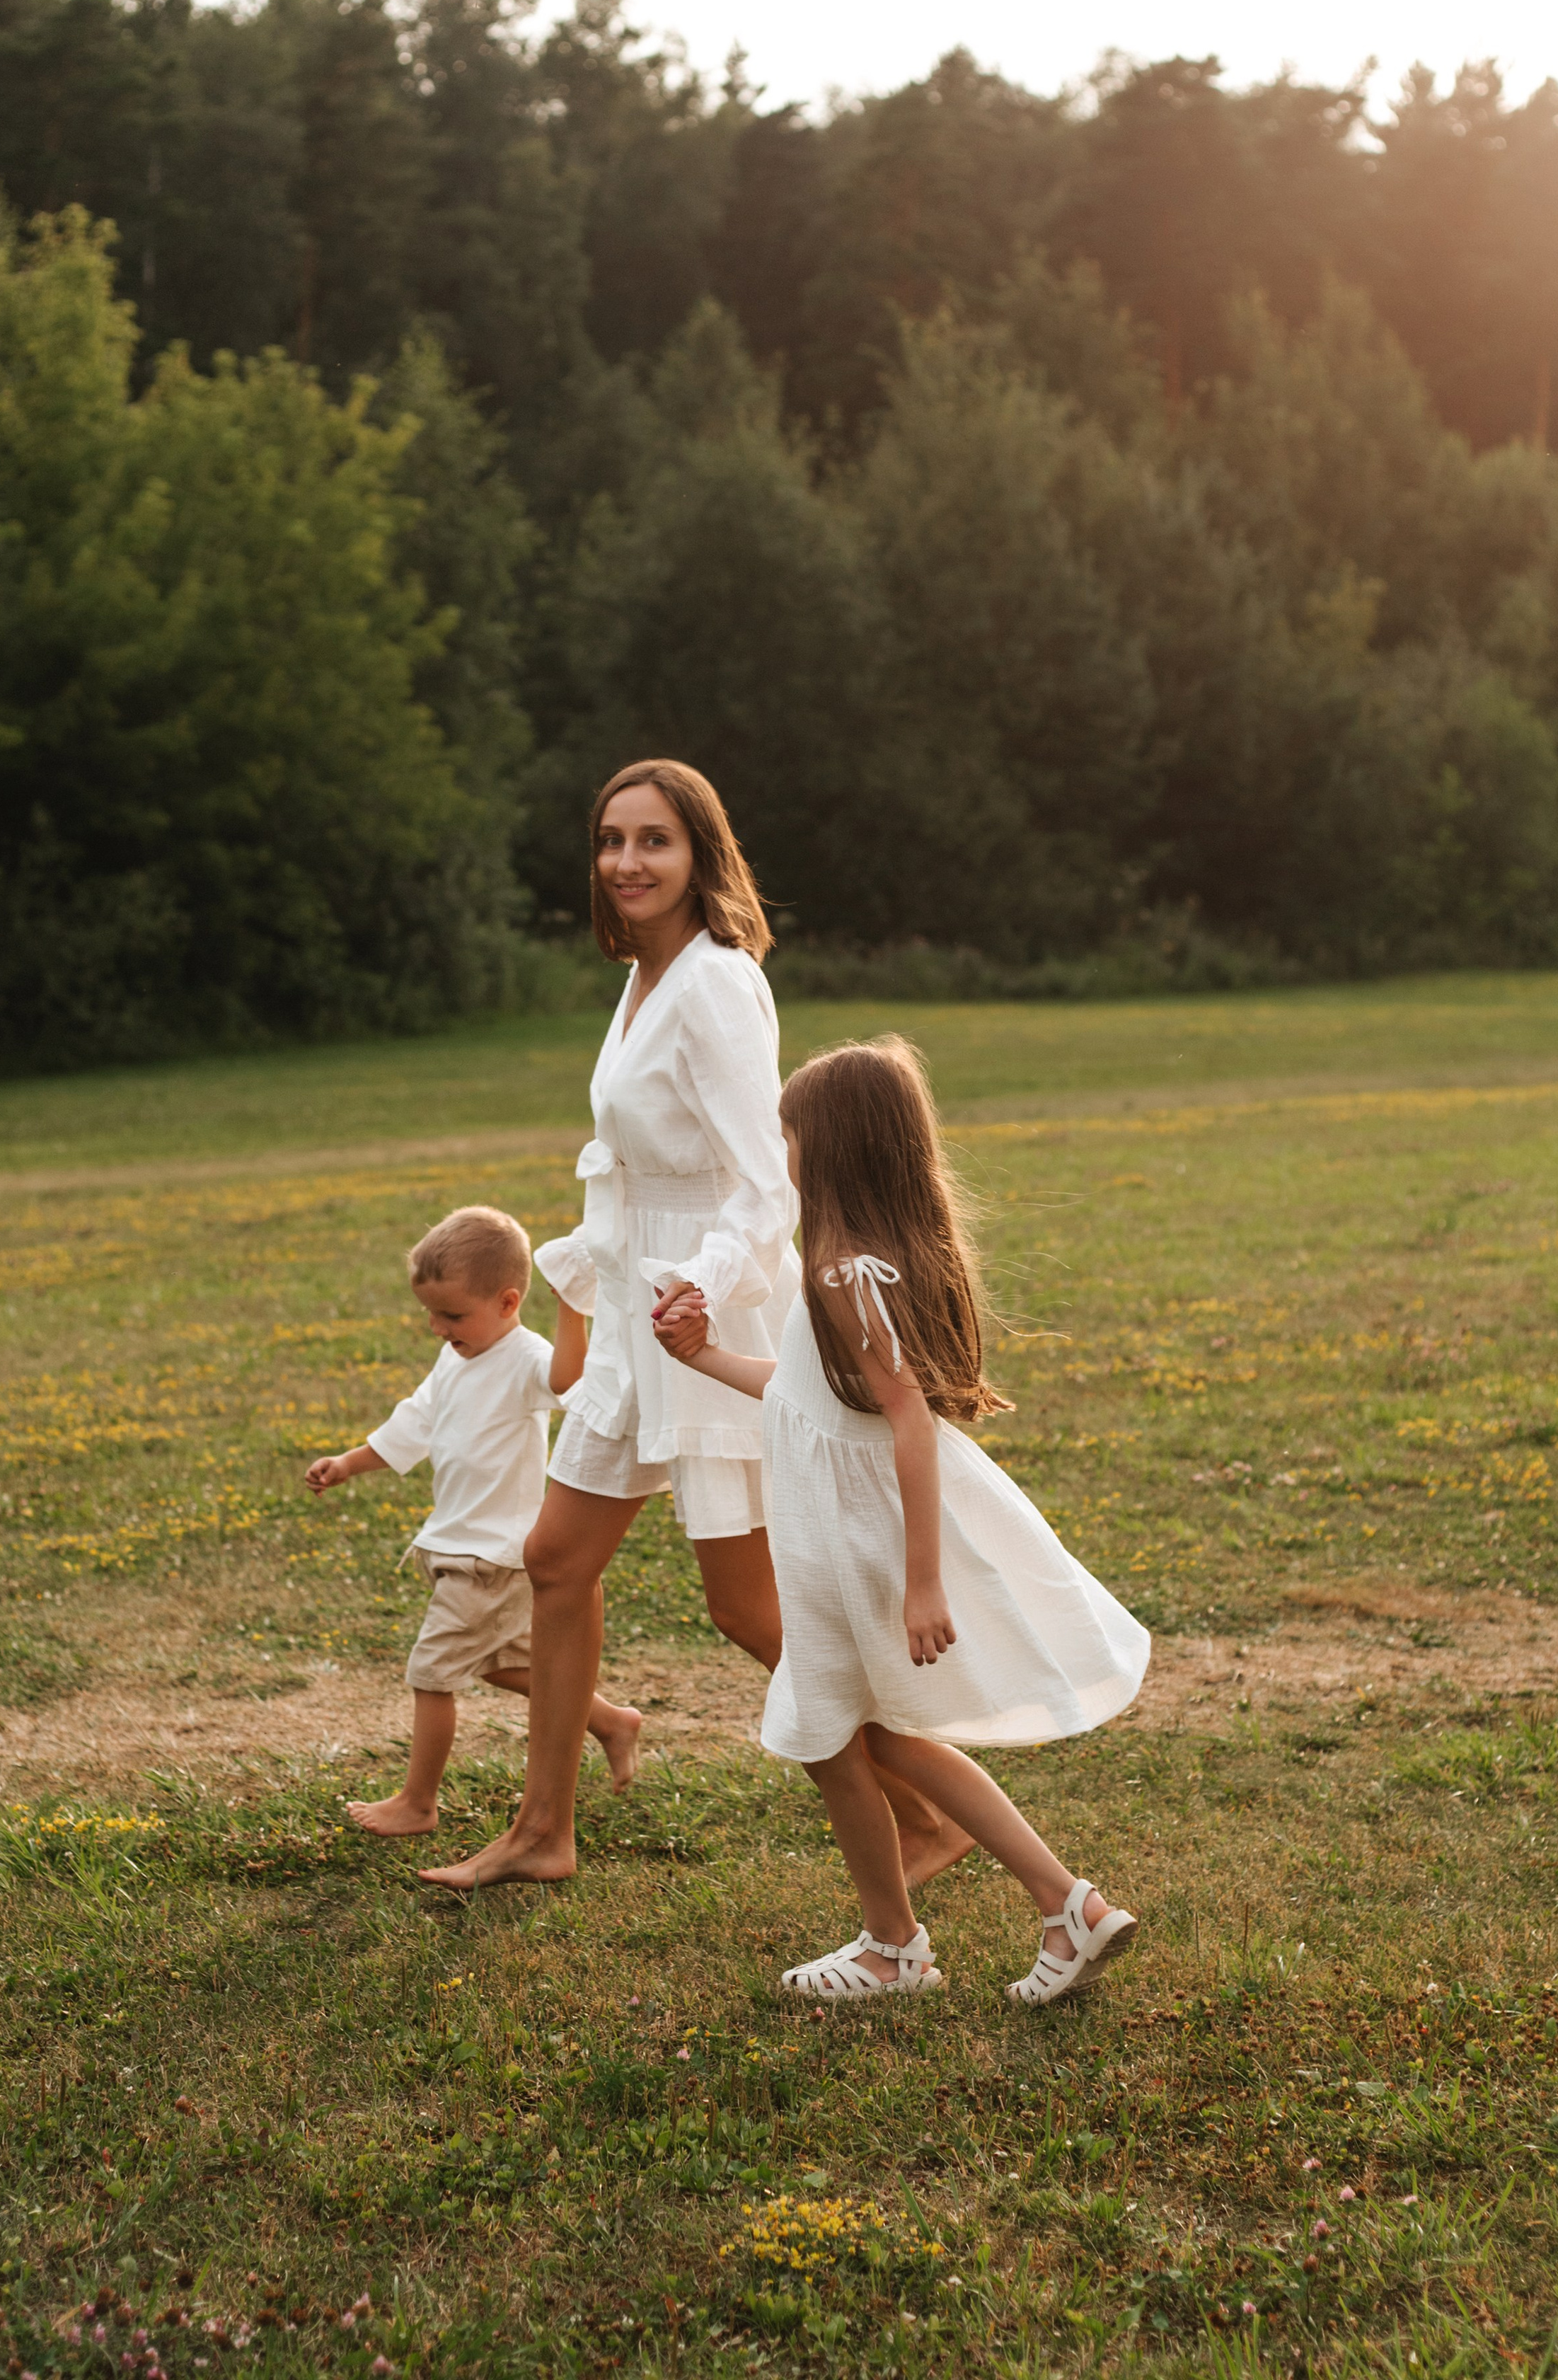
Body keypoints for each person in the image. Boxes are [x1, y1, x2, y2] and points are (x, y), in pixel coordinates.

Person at [420, 761, 968, 1893]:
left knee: (746, 1608)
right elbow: (624, 1169)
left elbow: (766, 1180)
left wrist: (703, 1289)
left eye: (654, 841)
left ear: (699, 856)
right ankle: (544, 1831)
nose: (627, 862)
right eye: (612, 841)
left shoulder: (718, 983)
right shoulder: (642, 980)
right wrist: (591, 1293)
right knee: (555, 1560)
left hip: (695, 1314)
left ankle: (932, 1807)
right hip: (633, 1319)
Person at [655, 1036, 1150, 2002]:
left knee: (833, 1730)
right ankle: (1047, 1910)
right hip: (836, 1529)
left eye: (789, 1135)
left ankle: (904, 1947)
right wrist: (706, 1357)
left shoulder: (847, 1270)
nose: (783, 1154)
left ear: (829, 1148)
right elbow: (810, 1396)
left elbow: (907, 1416)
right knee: (857, 1734)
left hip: (855, 1538)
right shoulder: (852, 1263)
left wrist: (923, 1580)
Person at [304, 1203, 641, 1837]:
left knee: (431, 1677)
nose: (437, 1326)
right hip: (470, 1550)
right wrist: (350, 1463)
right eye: (431, 1313)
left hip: (487, 1558)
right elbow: (416, 1422)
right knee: (500, 1665)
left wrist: (574, 1303)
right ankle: (609, 1721)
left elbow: (569, 1382)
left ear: (510, 1302)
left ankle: (418, 1803)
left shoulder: (523, 1357)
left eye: (453, 1314)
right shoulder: (456, 1357)